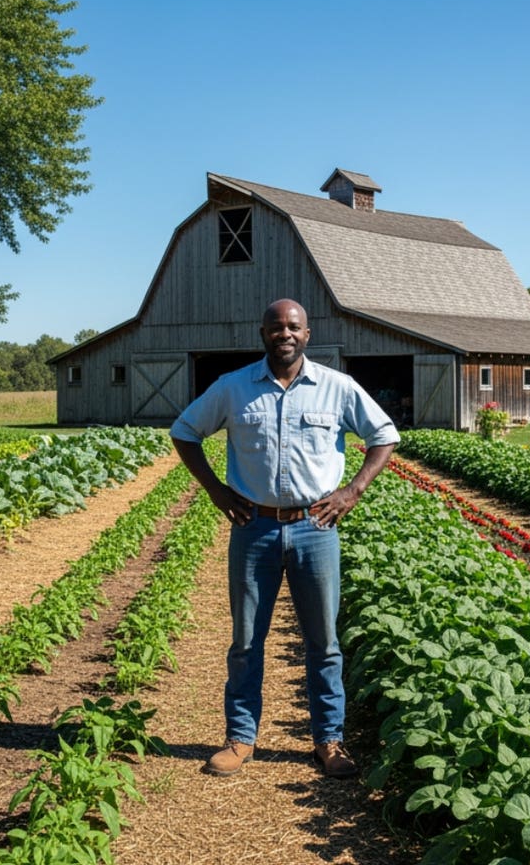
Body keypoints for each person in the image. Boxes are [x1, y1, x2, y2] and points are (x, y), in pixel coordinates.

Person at [170, 298, 399, 778]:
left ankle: (329, 742)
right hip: (254, 527)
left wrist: (352, 492)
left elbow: (384, 435)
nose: (285, 334)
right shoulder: (233, 389)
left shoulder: (337, 388)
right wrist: (215, 491)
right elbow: (185, 431)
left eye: (294, 326)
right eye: (276, 327)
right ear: (263, 334)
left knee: (325, 641)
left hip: (315, 529)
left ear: (307, 334)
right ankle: (240, 738)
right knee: (247, 640)